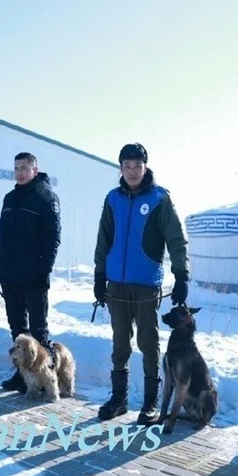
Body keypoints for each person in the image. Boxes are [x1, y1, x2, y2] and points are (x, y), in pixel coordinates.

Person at [93, 142, 190, 424]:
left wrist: (181, 275)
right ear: (120, 168)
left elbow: (175, 239)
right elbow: (103, 240)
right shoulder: (113, 199)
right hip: (117, 286)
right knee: (120, 342)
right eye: (127, 166)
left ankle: (150, 403)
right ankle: (119, 399)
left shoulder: (160, 199)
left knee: (148, 342)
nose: (132, 171)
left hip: (146, 285)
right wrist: (100, 276)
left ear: (145, 167)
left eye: (137, 166)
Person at [0, 152, 62, 392]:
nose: (20, 172)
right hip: (10, 274)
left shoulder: (45, 197)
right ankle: (22, 375)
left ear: (34, 169)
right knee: (17, 329)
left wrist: (45, 270)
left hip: (34, 275)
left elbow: (53, 238)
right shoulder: (10, 198)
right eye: (16, 168)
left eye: (24, 167)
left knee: (38, 330)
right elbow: (1, 237)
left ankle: (46, 378)